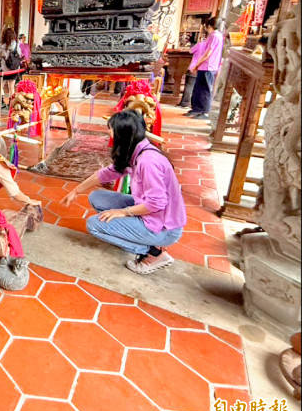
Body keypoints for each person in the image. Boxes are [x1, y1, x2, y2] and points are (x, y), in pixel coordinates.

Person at [59, 110, 186, 274]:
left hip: (163, 228)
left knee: (94, 225)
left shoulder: (148, 162)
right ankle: (135, 234)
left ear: (123, 135)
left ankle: (154, 252)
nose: (109, 133)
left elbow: (156, 203)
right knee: (97, 197)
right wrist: (76, 191)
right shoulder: (137, 150)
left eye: (111, 130)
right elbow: (106, 173)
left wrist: (123, 212)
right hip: (149, 213)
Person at [186, 17, 223, 119]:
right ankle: (196, 109)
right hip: (205, 66)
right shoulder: (216, 35)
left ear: (209, 26)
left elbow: (208, 53)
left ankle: (204, 111)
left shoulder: (215, 36)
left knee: (205, 90)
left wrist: (197, 64)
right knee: (198, 89)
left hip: (208, 66)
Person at [178, 30, 206, 108]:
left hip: (193, 67)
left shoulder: (200, 44)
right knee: (197, 87)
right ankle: (193, 104)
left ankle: (185, 102)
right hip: (203, 69)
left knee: (189, 86)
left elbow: (190, 51)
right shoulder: (209, 47)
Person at [0, 27, 20, 108]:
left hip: (4, 69)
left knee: (0, 86)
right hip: (13, 69)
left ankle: (2, 102)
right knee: (11, 87)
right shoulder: (16, 45)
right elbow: (20, 55)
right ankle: (11, 102)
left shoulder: (2, 46)